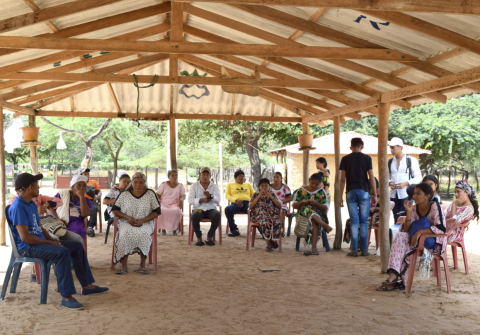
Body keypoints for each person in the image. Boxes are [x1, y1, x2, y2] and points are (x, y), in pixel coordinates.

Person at [7, 173, 108, 309]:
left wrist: (52, 240)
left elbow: (39, 227)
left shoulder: (30, 203)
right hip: (27, 246)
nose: (39, 187)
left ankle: (87, 285)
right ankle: (66, 297)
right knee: (62, 253)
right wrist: (50, 243)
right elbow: (25, 237)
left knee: (77, 246)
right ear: (30, 187)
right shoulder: (18, 206)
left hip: (38, 242)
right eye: (37, 184)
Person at [377, 183, 446, 291]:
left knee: (402, 245)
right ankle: (394, 276)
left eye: (418, 193)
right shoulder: (414, 208)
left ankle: (395, 279)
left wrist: (420, 232)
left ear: (427, 196)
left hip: (433, 243)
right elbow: (406, 230)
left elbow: (441, 228)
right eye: (414, 193)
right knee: (400, 236)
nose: (414, 196)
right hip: (416, 242)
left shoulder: (434, 206)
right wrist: (408, 212)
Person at [112, 172, 161, 275]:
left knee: (143, 234)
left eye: (141, 182)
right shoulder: (124, 194)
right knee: (124, 234)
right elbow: (115, 210)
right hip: (126, 222)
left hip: (145, 223)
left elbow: (157, 212)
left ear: (145, 183)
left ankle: (142, 265)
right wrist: (127, 218)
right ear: (131, 183)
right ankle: (124, 266)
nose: (138, 185)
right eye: (135, 182)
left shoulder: (150, 194)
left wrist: (143, 220)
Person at [339, 137, 377, 257]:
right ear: (362, 146)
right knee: (364, 222)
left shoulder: (345, 159)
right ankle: (364, 250)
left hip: (350, 191)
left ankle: (354, 250)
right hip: (364, 191)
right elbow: (371, 177)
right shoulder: (367, 158)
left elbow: (342, 179)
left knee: (354, 221)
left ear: (351, 147)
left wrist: (340, 196)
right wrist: (375, 194)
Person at [293, 173, 332, 256]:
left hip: (318, 216)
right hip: (302, 215)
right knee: (307, 209)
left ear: (320, 184)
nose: (314, 185)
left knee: (314, 222)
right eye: (312, 183)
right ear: (309, 181)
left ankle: (314, 249)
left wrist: (316, 204)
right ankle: (324, 225)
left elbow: (325, 208)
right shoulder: (301, 190)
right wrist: (302, 202)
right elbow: (294, 205)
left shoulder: (321, 192)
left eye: (317, 184)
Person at [388, 137, 422, 224]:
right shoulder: (390, 162)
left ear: (400, 147)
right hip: (393, 195)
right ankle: (398, 236)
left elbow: (418, 177)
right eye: (390, 147)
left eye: (393, 147)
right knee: (396, 218)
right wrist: (389, 183)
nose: (391, 149)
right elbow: (387, 177)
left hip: (407, 195)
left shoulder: (411, 160)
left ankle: (405, 236)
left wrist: (406, 183)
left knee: (406, 217)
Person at [54, 175, 92, 244]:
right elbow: (49, 207)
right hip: (61, 222)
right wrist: (57, 219)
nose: (82, 188)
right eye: (79, 186)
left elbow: (85, 214)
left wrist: (81, 197)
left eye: (84, 186)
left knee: (78, 231)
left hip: (76, 223)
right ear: (72, 188)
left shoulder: (87, 200)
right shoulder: (63, 195)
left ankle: (73, 252)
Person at [188, 167, 221, 246]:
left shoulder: (214, 186)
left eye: (207, 175)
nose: (205, 176)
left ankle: (209, 237)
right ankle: (199, 238)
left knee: (217, 215)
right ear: (200, 175)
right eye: (203, 174)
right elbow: (190, 200)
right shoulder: (194, 186)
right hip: (198, 208)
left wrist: (211, 196)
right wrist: (201, 200)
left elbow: (218, 199)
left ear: (210, 176)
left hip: (211, 208)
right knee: (195, 215)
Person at [343, 178, 380, 245]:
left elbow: (385, 208)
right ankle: (355, 243)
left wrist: (375, 209)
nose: (369, 190)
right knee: (350, 221)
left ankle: (362, 243)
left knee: (363, 223)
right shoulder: (366, 193)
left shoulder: (380, 195)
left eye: (370, 189)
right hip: (365, 214)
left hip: (376, 216)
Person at [250, 178, 283, 252]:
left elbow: (279, 206)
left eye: (266, 186)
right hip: (259, 216)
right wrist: (259, 196)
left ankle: (272, 240)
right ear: (259, 187)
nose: (264, 188)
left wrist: (270, 197)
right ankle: (269, 245)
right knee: (266, 222)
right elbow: (250, 206)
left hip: (272, 215)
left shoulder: (272, 194)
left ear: (269, 187)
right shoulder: (255, 195)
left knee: (276, 221)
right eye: (262, 186)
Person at [225, 169, 254, 237]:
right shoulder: (230, 185)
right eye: (240, 176)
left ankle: (259, 229)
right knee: (227, 209)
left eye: (243, 176)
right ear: (235, 178)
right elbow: (227, 195)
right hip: (235, 204)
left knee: (253, 210)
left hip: (247, 203)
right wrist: (236, 200)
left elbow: (254, 195)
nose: (242, 177)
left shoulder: (248, 185)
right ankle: (234, 230)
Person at [156, 169, 185, 236]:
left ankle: (174, 230)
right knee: (161, 210)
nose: (174, 177)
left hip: (175, 204)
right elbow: (157, 194)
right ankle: (163, 230)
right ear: (168, 177)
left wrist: (181, 200)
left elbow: (183, 195)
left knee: (176, 211)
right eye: (172, 175)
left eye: (176, 175)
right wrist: (157, 201)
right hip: (163, 204)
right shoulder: (164, 184)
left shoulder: (180, 185)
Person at [80, 168, 101, 238]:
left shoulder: (94, 182)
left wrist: (97, 196)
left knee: (94, 207)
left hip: (91, 201)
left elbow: (99, 192)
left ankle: (90, 227)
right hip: (80, 201)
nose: (87, 175)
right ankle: (81, 226)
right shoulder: (77, 183)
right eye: (85, 174)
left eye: (88, 174)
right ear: (81, 175)